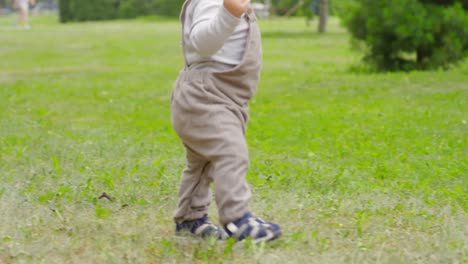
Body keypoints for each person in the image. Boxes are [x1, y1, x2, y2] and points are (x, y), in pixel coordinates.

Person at [170, 0, 282, 242]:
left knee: (202, 163)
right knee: (230, 152)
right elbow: (200, 42)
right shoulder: (213, 2)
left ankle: (190, 220)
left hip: (219, 96)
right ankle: (237, 218)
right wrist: (229, 14)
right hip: (205, 97)